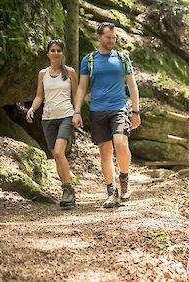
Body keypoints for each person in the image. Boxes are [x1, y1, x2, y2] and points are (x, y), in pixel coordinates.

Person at [73, 22, 141, 208]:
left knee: (120, 143)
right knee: (105, 153)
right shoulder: (89, 60)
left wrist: (135, 111)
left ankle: (124, 177)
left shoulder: (122, 58)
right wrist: (77, 111)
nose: (112, 40)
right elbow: (82, 87)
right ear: (99, 37)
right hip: (97, 110)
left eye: (114, 37)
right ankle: (112, 192)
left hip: (119, 108)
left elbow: (132, 86)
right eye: (108, 37)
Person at [26, 39, 78, 208]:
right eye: (52, 50)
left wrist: (77, 114)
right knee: (56, 156)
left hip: (66, 116)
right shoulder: (43, 74)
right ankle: (67, 191)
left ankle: (67, 189)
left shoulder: (70, 72)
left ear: (62, 54)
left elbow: (77, 95)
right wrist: (32, 109)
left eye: (58, 50)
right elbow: (39, 95)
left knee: (58, 152)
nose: (55, 53)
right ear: (48, 54)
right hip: (48, 119)